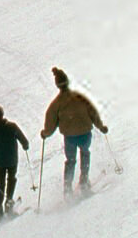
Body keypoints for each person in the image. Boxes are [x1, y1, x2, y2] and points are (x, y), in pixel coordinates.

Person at [41, 67, 109, 195]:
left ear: (57, 85)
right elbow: (92, 112)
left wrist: (45, 133)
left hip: (70, 137)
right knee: (85, 153)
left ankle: (67, 188)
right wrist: (101, 126)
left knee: (70, 160)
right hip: (85, 133)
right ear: (67, 82)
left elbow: (50, 124)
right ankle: (84, 182)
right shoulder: (80, 97)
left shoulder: (56, 104)